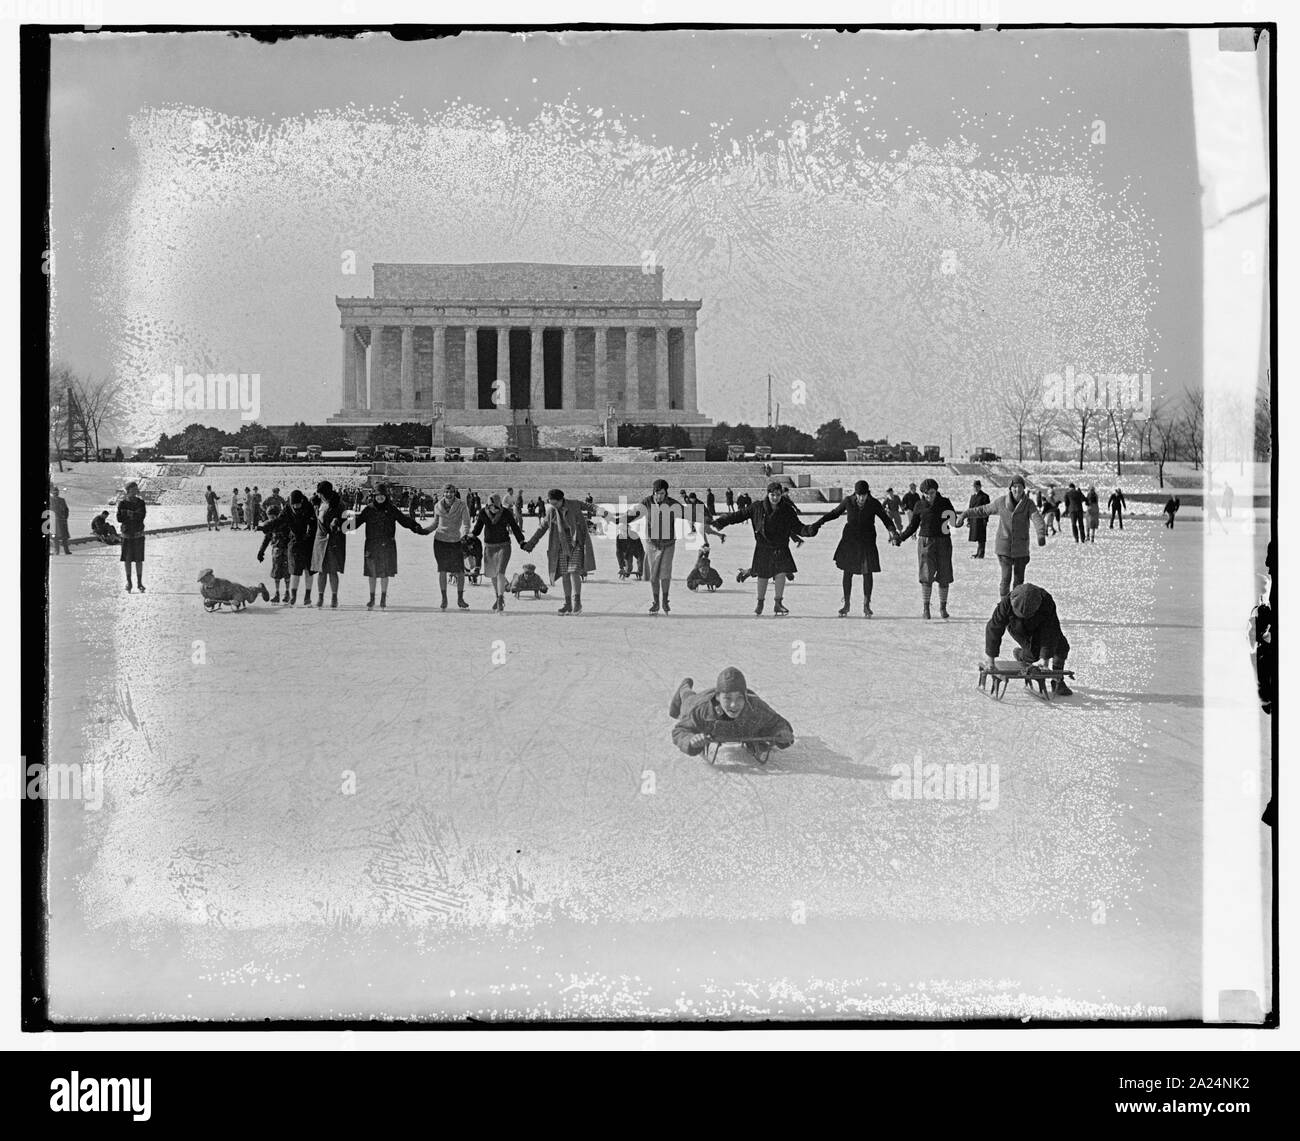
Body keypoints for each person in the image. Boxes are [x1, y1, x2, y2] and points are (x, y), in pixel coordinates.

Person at [597, 479, 707, 615]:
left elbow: (687, 513)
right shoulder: (647, 502)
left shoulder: (672, 504)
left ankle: (665, 601)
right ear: (653, 492)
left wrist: (707, 518)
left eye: (661, 493)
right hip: (652, 544)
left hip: (668, 544)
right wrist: (615, 518)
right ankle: (656, 602)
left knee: (665, 574)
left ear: (666, 492)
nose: (659, 496)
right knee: (654, 576)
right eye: (656, 493)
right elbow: (632, 515)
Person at [714, 481, 815, 616]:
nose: (775, 498)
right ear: (768, 494)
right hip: (763, 546)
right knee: (763, 576)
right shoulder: (757, 507)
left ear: (781, 495)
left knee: (781, 574)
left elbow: (797, 526)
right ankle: (760, 602)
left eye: (778, 495)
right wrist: (722, 521)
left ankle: (778, 603)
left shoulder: (787, 510)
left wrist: (808, 530)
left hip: (780, 546)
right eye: (772, 495)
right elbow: (739, 515)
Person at [809, 479, 900, 617]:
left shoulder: (873, 503)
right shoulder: (848, 501)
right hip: (850, 541)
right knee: (848, 571)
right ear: (855, 494)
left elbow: (885, 519)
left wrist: (892, 531)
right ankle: (846, 604)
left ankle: (866, 604)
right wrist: (819, 522)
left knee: (867, 572)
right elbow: (835, 513)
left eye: (864, 495)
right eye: (859, 495)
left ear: (868, 494)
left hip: (867, 540)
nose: (861, 498)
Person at [668, 667, 795, 762]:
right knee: (688, 698)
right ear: (718, 697)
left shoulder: (756, 708)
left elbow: (778, 723)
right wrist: (690, 740)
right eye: (728, 698)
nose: (734, 705)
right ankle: (683, 688)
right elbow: (680, 730)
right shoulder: (702, 710)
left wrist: (782, 733)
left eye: (739, 698)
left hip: (741, 719)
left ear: (745, 696)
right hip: (700, 700)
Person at [957, 475, 1046, 599]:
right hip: (1004, 546)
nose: (1017, 490)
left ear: (1023, 489)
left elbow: (1037, 518)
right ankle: (1004, 605)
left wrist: (1041, 533)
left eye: (1020, 487)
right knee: (1006, 578)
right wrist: (965, 514)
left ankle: (1015, 605)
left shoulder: (1028, 504)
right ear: (1010, 488)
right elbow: (983, 510)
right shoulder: (1001, 502)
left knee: (1019, 581)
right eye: (1014, 487)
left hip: (1021, 547)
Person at [983, 582, 1072, 697]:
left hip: (1040, 624)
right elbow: (994, 629)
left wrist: (1045, 662)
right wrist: (991, 660)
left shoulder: (1046, 601)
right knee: (1033, 655)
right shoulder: (1006, 604)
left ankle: (1058, 682)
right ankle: (1020, 654)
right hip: (1017, 628)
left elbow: (1049, 631)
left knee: (1062, 647)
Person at [349, 481, 423, 609]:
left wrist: (415, 526)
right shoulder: (369, 509)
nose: (380, 498)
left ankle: (383, 598)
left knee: (384, 573)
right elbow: (357, 522)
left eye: (382, 495)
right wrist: (341, 524)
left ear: (386, 496)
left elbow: (404, 520)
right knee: (371, 574)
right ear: (374, 496)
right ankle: (372, 598)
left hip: (387, 545)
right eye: (378, 495)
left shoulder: (391, 508)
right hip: (372, 545)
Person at [522, 488, 595, 615]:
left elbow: (590, 507)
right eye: (551, 503)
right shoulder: (551, 512)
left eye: (555, 503)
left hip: (575, 542)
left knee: (574, 571)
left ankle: (577, 602)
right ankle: (568, 604)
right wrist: (530, 544)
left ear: (562, 500)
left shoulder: (574, 504)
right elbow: (542, 528)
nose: (553, 506)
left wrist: (605, 513)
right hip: (561, 545)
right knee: (565, 574)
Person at [892, 477, 957, 619]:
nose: (929, 496)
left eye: (932, 493)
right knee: (926, 575)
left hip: (943, 542)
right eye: (926, 493)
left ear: (936, 491)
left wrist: (955, 524)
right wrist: (901, 538)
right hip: (925, 542)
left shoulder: (945, 502)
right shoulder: (919, 505)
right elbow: (913, 526)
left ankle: (942, 608)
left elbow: (953, 522)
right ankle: (926, 609)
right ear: (923, 493)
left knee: (944, 575)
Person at [418, 483, 473, 610]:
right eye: (447, 492)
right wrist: (425, 531)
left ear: (455, 493)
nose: (449, 495)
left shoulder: (462, 505)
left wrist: (465, 535)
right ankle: (444, 598)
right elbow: (435, 523)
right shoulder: (438, 505)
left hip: (455, 541)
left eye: (451, 492)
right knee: (442, 570)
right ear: (443, 493)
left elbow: (466, 523)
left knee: (460, 571)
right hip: (440, 541)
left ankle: (460, 598)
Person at [258, 489, 317, 605]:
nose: (296, 507)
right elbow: (278, 521)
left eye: (298, 504)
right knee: (294, 570)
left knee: (308, 570)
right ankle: (293, 596)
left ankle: (307, 596)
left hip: (308, 542)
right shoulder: (287, 508)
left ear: (301, 501)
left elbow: (313, 524)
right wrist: (266, 526)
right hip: (294, 541)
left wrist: (308, 535)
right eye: (294, 505)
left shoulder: (308, 506)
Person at [471, 492, 528, 612]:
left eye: (496, 507)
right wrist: (470, 536)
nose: (494, 510)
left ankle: (501, 599)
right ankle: (497, 597)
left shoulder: (506, 513)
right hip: (489, 547)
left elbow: (515, 527)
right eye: (491, 507)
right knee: (493, 574)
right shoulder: (482, 513)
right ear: (488, 506)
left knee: (500, 572)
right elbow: (477, 529)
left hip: (504, 546)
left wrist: (521, 541)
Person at [309, 480, 347, 608]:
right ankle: (320, 597)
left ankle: (334, 597)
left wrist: (338, 523)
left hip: (334, 542)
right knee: (321, 571)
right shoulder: (317, 503)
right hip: (320, 541)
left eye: (321, 493)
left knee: (332, 571)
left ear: (326, 493)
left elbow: (350, 526)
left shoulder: (341, 504)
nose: (319, 495)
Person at [256, 503, 292, 602]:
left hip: (285, 551)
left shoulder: (284, 524)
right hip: (276, 551)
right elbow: (266, 539)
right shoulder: (270, 526)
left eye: (272, 517)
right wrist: (261, 552)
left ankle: (287, 593)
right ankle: (277, 593)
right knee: (276, 573)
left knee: (287, 573)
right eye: (269, 517)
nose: (271, 519)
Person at [116, 481, 147, 592]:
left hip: (138, 534)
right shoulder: (122, 503)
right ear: (128, 491)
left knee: (139, 560)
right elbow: (119, 518)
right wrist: (133, 514)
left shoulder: (141, 503)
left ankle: (139, 583)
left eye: (136, 489)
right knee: (127, 560)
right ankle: (129, 582)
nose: (135, 491)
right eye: (133, 489)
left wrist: (128, 513)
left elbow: (141, 516)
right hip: (126, 535)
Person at [966, 479, 991, 558]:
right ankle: (978, 552)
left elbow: (987, 509)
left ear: (980, 487)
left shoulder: (984, 496)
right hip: (974, 519)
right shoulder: (973, 497)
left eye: (977, 487)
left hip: (981, 519)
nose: (975, 488)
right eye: (974, 487)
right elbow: (970, 508)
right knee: (977, 537)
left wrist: (985, 520)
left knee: (981, 537)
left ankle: (981, 553)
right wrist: (968, 520)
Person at [49, 486, 72, 555]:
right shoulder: (50, 500)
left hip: (62, 521)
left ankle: (66, 551)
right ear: (52, 493)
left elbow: (66, 510)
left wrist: (65, 517)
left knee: (64, 537)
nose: (56, 493)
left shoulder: (62, 500)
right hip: (54, 522)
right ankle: (57, 551)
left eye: (57, 492)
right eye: (54, 492)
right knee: (55, 538)